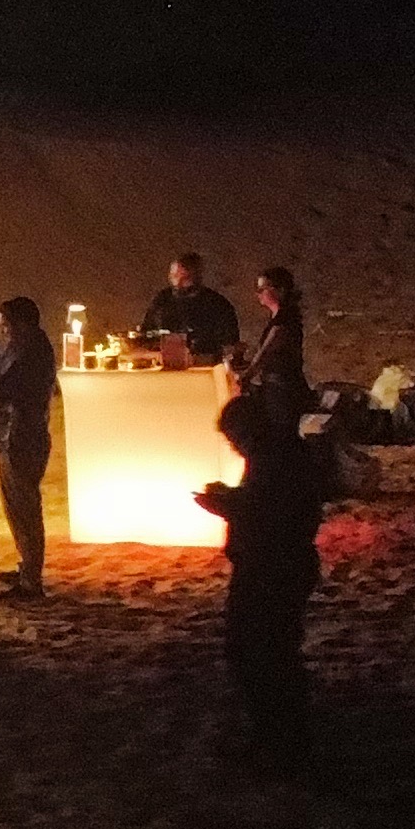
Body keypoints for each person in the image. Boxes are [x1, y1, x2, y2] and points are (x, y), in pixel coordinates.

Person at [195, 395, 324, 772]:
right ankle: (281, 737)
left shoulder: (274, 457)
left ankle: (280, 740)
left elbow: (270, 513)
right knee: (272, 651)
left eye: (233, 438)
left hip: (271, 567)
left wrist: (225, 504)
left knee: (261, 653)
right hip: (278, 564)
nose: (233, 447)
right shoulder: (280, 452)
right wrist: (231, 498)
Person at [0, 295, 57, 597]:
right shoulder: (24, 347)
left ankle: (31, 578)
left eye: (6, 324)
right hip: (14, 434)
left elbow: (1, 390)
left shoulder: (29, 351)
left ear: (21, 323)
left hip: (22, 436)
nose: (3, 330)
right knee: (16, 507)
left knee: (25, 508)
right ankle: (27, 567)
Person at [237, 265, 308, 436]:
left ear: (280, 290)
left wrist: (247, 375)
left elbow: (266, 352)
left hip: (283, 390)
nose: (258, 293)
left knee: (282, 433)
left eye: (263, 288)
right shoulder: (279, 318)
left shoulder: (284, 320)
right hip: (277, 387)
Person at [135, 252, 242, 364]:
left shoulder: (218, 304)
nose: (178, 283)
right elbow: (146, 335)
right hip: (162, 365)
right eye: (174, 277)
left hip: (204, 366)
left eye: (185, 279)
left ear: (197, 277)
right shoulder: (162, 300)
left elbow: (230, 346)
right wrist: (153, 352)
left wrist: (200, 355)